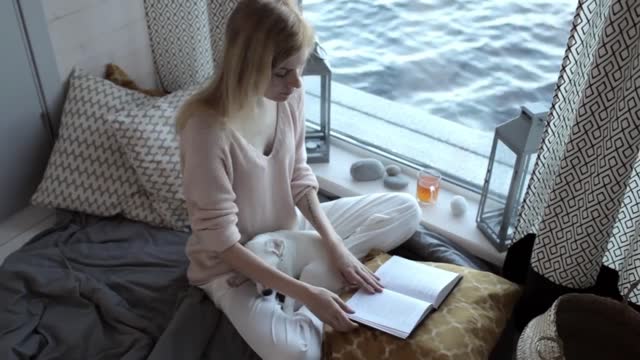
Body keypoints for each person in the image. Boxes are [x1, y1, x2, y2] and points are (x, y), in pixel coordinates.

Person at [176, 1, 421, 359]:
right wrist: (310, 295)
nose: (295, 82)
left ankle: (322, 265)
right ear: (246, 65)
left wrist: (335, 245)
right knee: (297, 353)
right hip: (235, 264)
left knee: (406, 210)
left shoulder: (287, 96)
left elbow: (299, 177)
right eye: (281, 72)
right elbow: (223, 242)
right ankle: (316, 276)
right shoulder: (205, 131)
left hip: (292, 232)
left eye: (299, 66)